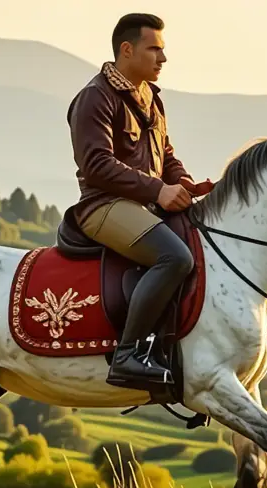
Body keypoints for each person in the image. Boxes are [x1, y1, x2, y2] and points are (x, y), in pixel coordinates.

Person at [67, 13, 214, 390]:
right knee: (176, 257)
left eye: (163, 51)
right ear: (127, 50)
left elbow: (165, 153)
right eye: (155, 49)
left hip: (144, 206)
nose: (162, 59)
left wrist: (181, 181)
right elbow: (97, 165)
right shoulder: (94, 98)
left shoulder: (150, 97)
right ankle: (129, 355)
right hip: (103, 207)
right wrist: (157, 191)